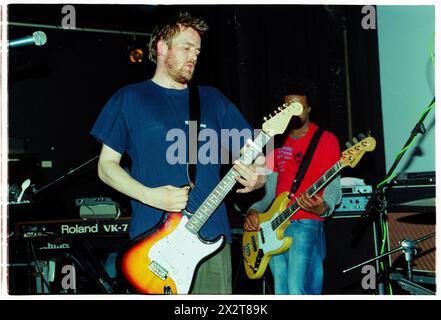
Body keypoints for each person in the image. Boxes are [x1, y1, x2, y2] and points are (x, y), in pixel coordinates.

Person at [90, 12, 265, 294]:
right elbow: (106, 167)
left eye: (197, 51)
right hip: (152, 246)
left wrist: (259, 176)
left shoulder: (212, 99)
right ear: (162, 47)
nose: (194, 56)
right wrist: (151, 195)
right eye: (186, 47)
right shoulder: (129, 98)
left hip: (210, 240)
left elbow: (255, 153)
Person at [244, 80, 342, 295]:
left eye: (298, 108)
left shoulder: (326, 140)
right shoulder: (276, 142)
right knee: (281, 291)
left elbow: (335, 184)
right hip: (274, 225)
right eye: (289, 109)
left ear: (309, 109)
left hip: (306, 221)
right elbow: (269, 189)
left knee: (298, 289)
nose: (294, 114)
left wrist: (325, 207)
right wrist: (254, 210)